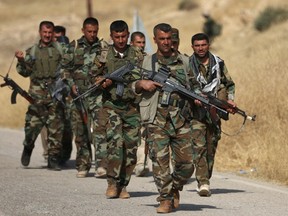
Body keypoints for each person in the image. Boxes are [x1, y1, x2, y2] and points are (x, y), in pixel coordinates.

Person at [134, 23, 199, 213]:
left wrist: (199, 99)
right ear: (155, 40)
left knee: (187, 164)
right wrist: (141, 84)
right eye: (161, 39)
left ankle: (174, 188)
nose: (165, 42)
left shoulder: (185, 62)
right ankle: (165, 199)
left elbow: (195, 86)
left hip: (180, 119)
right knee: (160, 162)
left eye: (168, 38)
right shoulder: (147, 62)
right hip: (156, 120)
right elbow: (131, 84)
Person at [97, 20, 143, 199]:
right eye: (117, 37)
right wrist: (103, 82)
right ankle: (112, 183)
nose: (121, 40)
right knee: (115, 145)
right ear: (111, 36)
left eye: (124, 36)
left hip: (132, 107)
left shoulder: (138, 55)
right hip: (111, 106)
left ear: (128, 35)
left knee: (130, 149)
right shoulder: (103, 55)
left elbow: (144, 74)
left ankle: (124, 185)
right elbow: (93, 77)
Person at [15, 20, 66, 170]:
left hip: (54, 95)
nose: (47, 35)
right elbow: (24, 72)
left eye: (50, 33)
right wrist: (21, 60)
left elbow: (67, 66)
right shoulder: (32, 51)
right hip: (36, 97)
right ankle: (28, 147)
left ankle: (53, 158)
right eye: (45, 32)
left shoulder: (59, 50)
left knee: (56, 128)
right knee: (32, 127)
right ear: (40, 33)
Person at [189, 33, 236, 196]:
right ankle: (203, 182)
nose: (200, 48)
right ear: (192, 47)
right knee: (199, 147)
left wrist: (229, 100)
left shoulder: (218, 63)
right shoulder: (188, 64)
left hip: (215, 112)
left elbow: (229, 84)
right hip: (196, 113)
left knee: (211, 147)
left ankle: (205, 176)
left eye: (203, 45)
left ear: (208, 45)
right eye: (197, 45)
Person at [62, 17, 108, 178]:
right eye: (89, 31)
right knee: (80, 131)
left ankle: (101, 165)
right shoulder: (74, 47)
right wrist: (70, 84)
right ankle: (83, 164)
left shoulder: (104, 48)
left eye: (95, 31)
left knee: (100, 130)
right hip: (78, 97)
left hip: (97, 96)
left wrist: (103, 80)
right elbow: (64, 69)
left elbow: (109, 69)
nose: (92, 34)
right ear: (83, 31)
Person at [41, 24, 73, 164]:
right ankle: (49, 152)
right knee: (47, 123)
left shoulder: (69, 52)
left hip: (67, 97)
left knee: (67, 126)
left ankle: (64, 153)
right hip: (49, 95)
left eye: (61, 38)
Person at [130, 31, 150, 177]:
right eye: (138, 42)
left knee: (144, 133)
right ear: (132, 43)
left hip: (143, 103)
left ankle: (141, 164)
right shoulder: (126, 59)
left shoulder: (148, 60)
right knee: (130, 135)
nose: (141, 46)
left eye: (143, 42)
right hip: (128, 103)